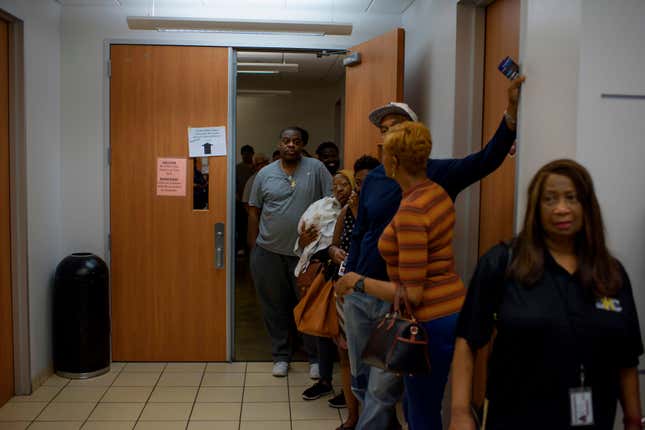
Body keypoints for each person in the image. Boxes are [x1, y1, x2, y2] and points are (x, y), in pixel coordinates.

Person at [342, 75, 525, 430]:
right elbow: (362, 228)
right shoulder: (377, 179)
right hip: (363, 296)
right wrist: (349, 279)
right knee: (368, 383)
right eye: (384, 129)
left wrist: (511, 117)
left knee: (393, 394)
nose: (388, 134)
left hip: (399, 301)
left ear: (413, 137)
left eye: (397, 127)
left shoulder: (435, 179)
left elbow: (486, 159)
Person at [449, 159, 643, 430]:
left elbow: (626, 359)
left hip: (594, 419)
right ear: (535, 209)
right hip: (516, 419)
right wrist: (459, 413)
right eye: (550, 199)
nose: (561, 208)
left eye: (571, 198)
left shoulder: (611, 274)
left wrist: (634, 420)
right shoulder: (502, 264)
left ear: (587, 206)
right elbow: (467, 342)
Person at [336, 122, 466, 430]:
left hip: (429, 320)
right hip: (450, 310)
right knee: (417, 405)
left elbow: (412, 293)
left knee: (421, 413)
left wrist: (357, 281)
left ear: (393, 162)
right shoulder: (436, 193)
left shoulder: (412, 211)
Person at [248, 126, 333, 377]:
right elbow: (253, 210)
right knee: (274, 306)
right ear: (280, 143)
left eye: (296, 141)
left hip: (306, 254)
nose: (291, 145)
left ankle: (315, 358)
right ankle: (281, 355)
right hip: (269, 251)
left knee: (307, 303)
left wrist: (320, 235)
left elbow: (331, 204)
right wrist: (254, 246)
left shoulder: (316, 169)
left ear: (303, 145)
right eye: (286, 141)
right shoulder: (265, 174)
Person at [326, 156, 381, 430]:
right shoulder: (346, 211)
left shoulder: (384, 209)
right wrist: (334, 252)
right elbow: (333, 245)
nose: (360, 189)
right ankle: (353, 416)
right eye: (357, 183)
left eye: (366, 183)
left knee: (375, 359)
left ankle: (376, 418)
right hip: (346, 292)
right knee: (346, 356)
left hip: (377, 292)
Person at [296, 170, 355, 404]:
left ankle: (349, 389)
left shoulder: (358, 211)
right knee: (323, 325)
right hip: (325, 271)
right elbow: (308, 235)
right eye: (335, 185)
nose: (339, 189)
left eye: (345, 185)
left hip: (351, 277)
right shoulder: (324, 207)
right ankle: (324, 380)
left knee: (345, 334)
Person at [236, 144, 255, 255]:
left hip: (255, 203)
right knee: (241, 226)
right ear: (241, 154)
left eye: (248, 153)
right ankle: (241, 247)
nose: (246, 155)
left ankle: (253, 248)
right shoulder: (237, 168)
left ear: (252, 154)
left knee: (253, 225)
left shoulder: (256, 167)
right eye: (244, 153)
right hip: (240, 203)